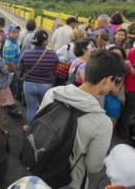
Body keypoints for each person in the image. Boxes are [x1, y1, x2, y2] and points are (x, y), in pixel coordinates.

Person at [39, 50, 125, 189]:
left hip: (41, 163)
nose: (114, 85)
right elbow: (93, 167)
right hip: (69, 180)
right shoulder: (102, 122)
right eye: (115, 81)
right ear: (106, 80)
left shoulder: (53, 93)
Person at [20, 30, 59, 127]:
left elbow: (21, 68)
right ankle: (41, 129)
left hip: (29, 85)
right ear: (44, 42)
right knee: (44, 108)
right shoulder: (52, 54)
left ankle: (29, 128)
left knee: (31, 109)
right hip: (45, 86)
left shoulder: (26, 53)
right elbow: (55, 70)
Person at [3, 24, 23, 117]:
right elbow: (10, 63)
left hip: (14, 70)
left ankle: (8, 105)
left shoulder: (14, 42)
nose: (16, 34)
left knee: (10, 90)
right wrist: (15, 74)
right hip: (12, 72)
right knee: (12, 91)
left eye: (18, 32)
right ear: (9, 33)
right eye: (14, 32)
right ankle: (11, 109)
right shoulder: (9, 45)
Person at [116, 46, 135, 139]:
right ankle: (125, 135)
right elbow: (132, 72)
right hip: (132, 88)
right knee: (129, 112)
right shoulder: (132, 53)